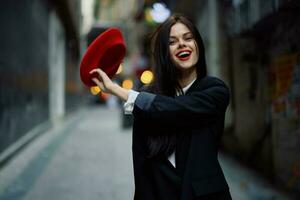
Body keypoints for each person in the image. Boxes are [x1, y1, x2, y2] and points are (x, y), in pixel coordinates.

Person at [90, 13, 232, 200]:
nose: (182, 44)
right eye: (172, 42)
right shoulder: (148, 97)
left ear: (198, 45)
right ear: (165, 52)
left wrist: (120, 91)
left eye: (188, 38)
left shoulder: (215, 90)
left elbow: (178, 109)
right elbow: (141, 163)